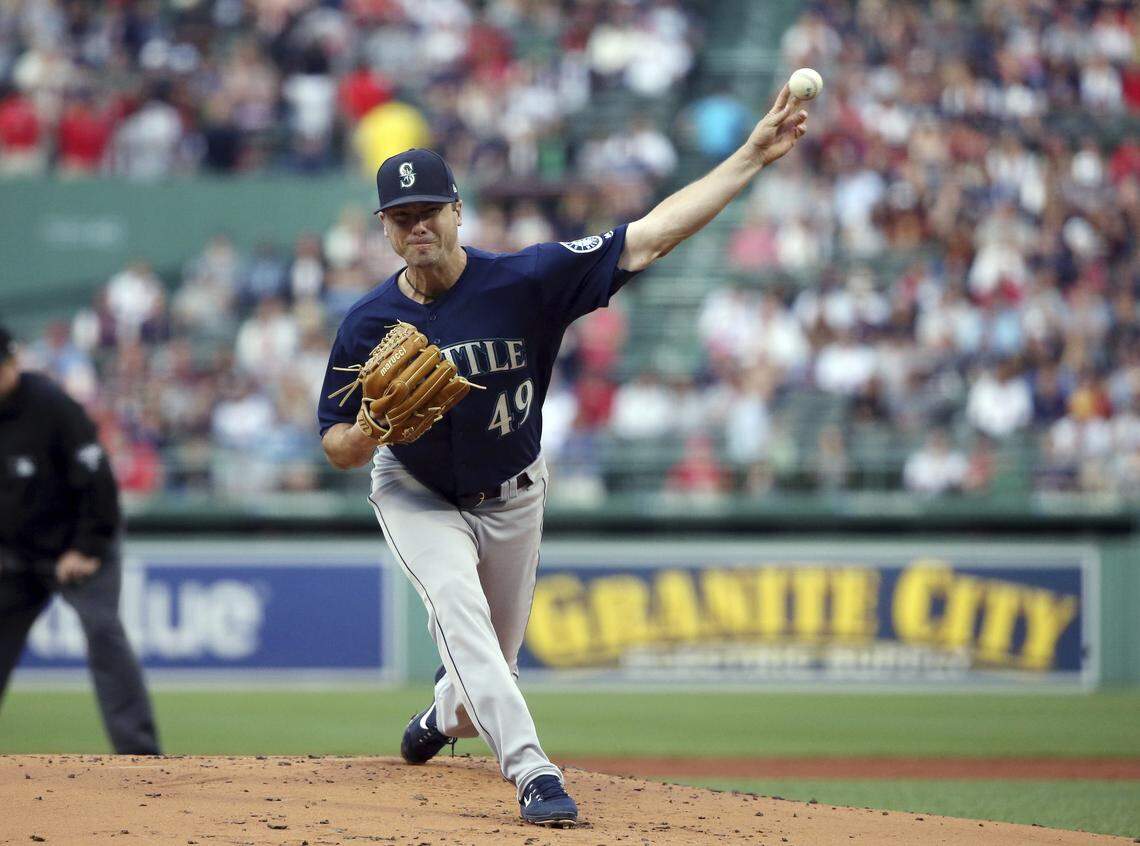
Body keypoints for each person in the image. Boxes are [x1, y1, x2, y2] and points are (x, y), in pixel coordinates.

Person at [317, 85, 810, 826]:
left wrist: (749, 156)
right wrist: (365, 434)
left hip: (513, 492)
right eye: (402, 216)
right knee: (459, 610)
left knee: (489, 668)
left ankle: (443, 716)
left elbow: (649, 237)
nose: (418, 225)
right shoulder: (367, 323)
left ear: (459, 212)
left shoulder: (525, 282)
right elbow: (335, 446)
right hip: (416, 490)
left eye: (430, 211)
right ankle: (533, 772)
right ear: (386, 230)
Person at [0, 325, 160, 755]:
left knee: (104, 633)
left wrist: (87, 548)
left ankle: (141, 757)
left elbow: (99, 484)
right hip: (17, 555)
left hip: (79, 546)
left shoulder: (52, 407)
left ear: (11, 362)